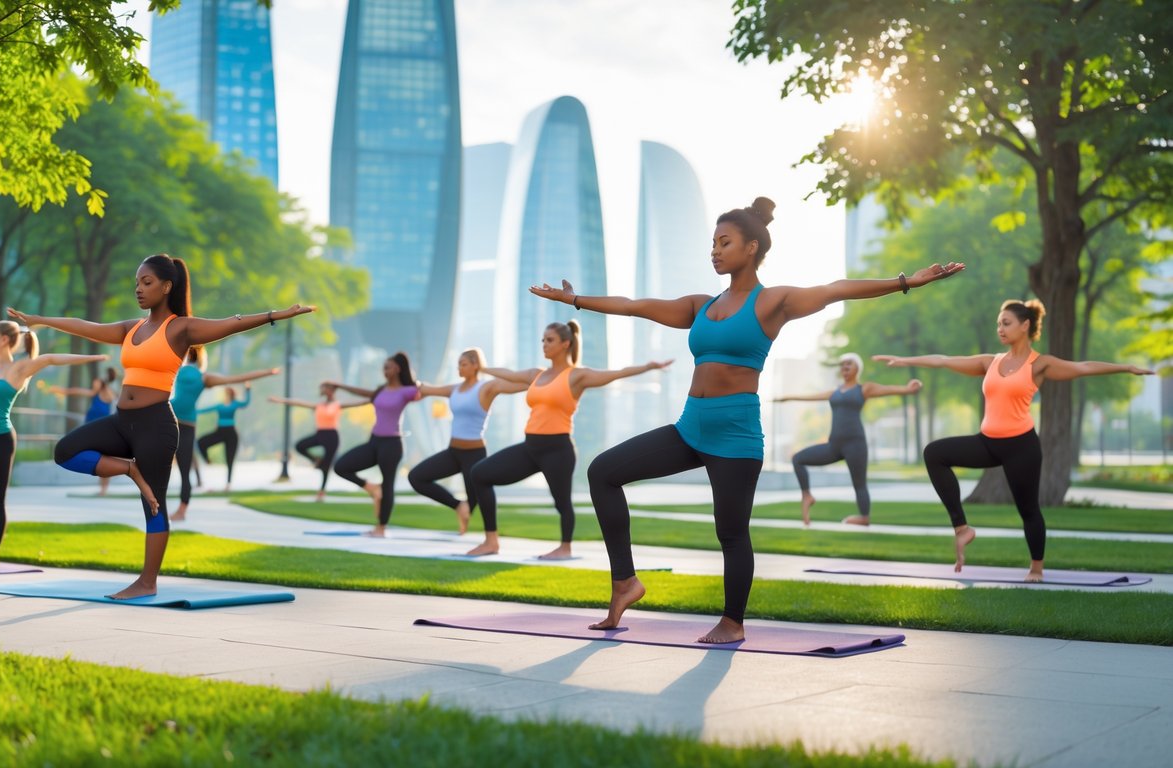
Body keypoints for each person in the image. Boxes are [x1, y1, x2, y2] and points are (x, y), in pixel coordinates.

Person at [531, 197, 964, 643]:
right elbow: (635, 305)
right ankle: (626, 581)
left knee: (731, 531)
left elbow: (837, 288)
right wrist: (575, 300)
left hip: (736, 435)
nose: (715, 251)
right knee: (603, 472)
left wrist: (906, 282)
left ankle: (732, 621)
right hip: (690, 428)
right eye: (713, 243)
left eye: (725, 242)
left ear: (751, 247)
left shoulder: (773, 301)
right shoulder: (701, 305)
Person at [7, 253, 313, 599]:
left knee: (153, 505)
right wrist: (40, 321)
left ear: (166, 286)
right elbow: (86, 326)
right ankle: (128, 469)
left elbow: (231, 322)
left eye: (146, 282)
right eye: (137, 282)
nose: (138, 289)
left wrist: (277, 315)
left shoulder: (181, 328)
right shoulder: (131, 328)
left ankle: (147, 582)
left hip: (156, 425)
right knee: (65, 451)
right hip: (122, 421)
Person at [873, 299, 1153, 582]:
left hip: (1022, 447)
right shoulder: (990, 362)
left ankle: (1036, 568)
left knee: (1028, 508)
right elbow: (943, 360)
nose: (1000, 329)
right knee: (934, 453)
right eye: (998, 324)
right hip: (987, 442)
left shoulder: (1039, 365)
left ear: (1025, 325)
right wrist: (906, 361)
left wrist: (1126, 368)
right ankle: (962, 528)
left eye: (1006, 323)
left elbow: (1082, 367)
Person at [469, 322, 671, 559]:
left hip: (557, 450)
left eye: (550, 340)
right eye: (543, 340)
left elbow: (615, 374)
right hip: (530, 447)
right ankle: (491, 540)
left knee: (562, 502)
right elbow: (509, 374)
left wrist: (647, 367)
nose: (544, 345)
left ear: (565, 343)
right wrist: (483, 368)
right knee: (480, 474)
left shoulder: (577, 376)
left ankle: (565, 547)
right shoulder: (536, 375)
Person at [0, 321, 106, 569]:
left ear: (4, 339)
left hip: (0, 441)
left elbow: (52, 359)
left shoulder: (19, 369)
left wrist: (92, 357)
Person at [775, 352, 922, 526]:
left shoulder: (864, 389)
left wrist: (907, 389)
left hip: (855, 445)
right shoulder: (834, 392)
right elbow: (811, 397)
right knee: (798, 459)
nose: (844, 367)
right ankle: (807, 495)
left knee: (859, 484)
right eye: (842, 364)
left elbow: (887, 389)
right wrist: (787, 398)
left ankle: (864, 517)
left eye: (849, 364)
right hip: (834, 446)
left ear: (857, 368)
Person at [409, 348, 528, 534]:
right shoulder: (454, 389)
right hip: (453, 452)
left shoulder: (487, 388)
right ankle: (458, 506)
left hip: (474, 454)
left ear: (475, 365)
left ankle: (488, 535)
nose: (459, 368)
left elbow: (523, 384)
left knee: (477, 498)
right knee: (416, 477)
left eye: (463, 364)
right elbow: (427, 389)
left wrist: (487, 370)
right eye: (458, 364)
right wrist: (413, 383)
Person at [168, 346, 277, 520]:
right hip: (182, 423)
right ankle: (181, 510)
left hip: (170, 416)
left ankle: (175, 509)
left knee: (170, 466)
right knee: (183, 469)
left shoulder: (177, 370)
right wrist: (267, 372)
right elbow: (236, 378)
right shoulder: (205, 377)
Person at [327, 353, 420, 536]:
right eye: (384, 367)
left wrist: (422, 386)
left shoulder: (407, 391)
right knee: (341, 466)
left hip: (392, 444)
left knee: (388, 485)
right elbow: (363, 393)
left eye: (388, 367)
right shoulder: (380, 391)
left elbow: (424, 391)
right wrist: (340, 386)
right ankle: (371, 487)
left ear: (398, 369)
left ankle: (381, 528)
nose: (385, 370)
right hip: (374, 442)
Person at [269, 383, 368, 501]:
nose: (322, 390)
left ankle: (321, 491)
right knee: (300, 446)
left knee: (327, 466)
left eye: (325, 388)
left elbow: (357, 403)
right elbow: (298, 402)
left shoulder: (338, 404)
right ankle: (316, 460)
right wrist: (280, 400)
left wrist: (374, 398)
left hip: (332, 436)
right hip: (320, 434)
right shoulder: (319, 405)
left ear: (331, 390)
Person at [46, 366, 118, 495]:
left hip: (99, 429)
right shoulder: (110, 393)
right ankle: (103, 488)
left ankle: (104, 489)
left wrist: (63, 391)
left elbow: (79, 391)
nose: (93, 384)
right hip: (93, 428)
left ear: (100, 382)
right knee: (103, 457)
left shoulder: (107, 393)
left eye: (95, 382)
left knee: (105, 457)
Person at [196, 384, 252, 493]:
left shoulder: (235, 404)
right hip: (220, 431)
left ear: (230, 394)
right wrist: (192, 409)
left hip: (231, 433)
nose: (225, 394)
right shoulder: (219, 406)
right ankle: (207, 460)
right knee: (201, 441)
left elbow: (246, 403)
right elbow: (204, 410)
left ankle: (228, 484)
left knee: (229, 459)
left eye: (227, 393)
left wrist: (248, 389)